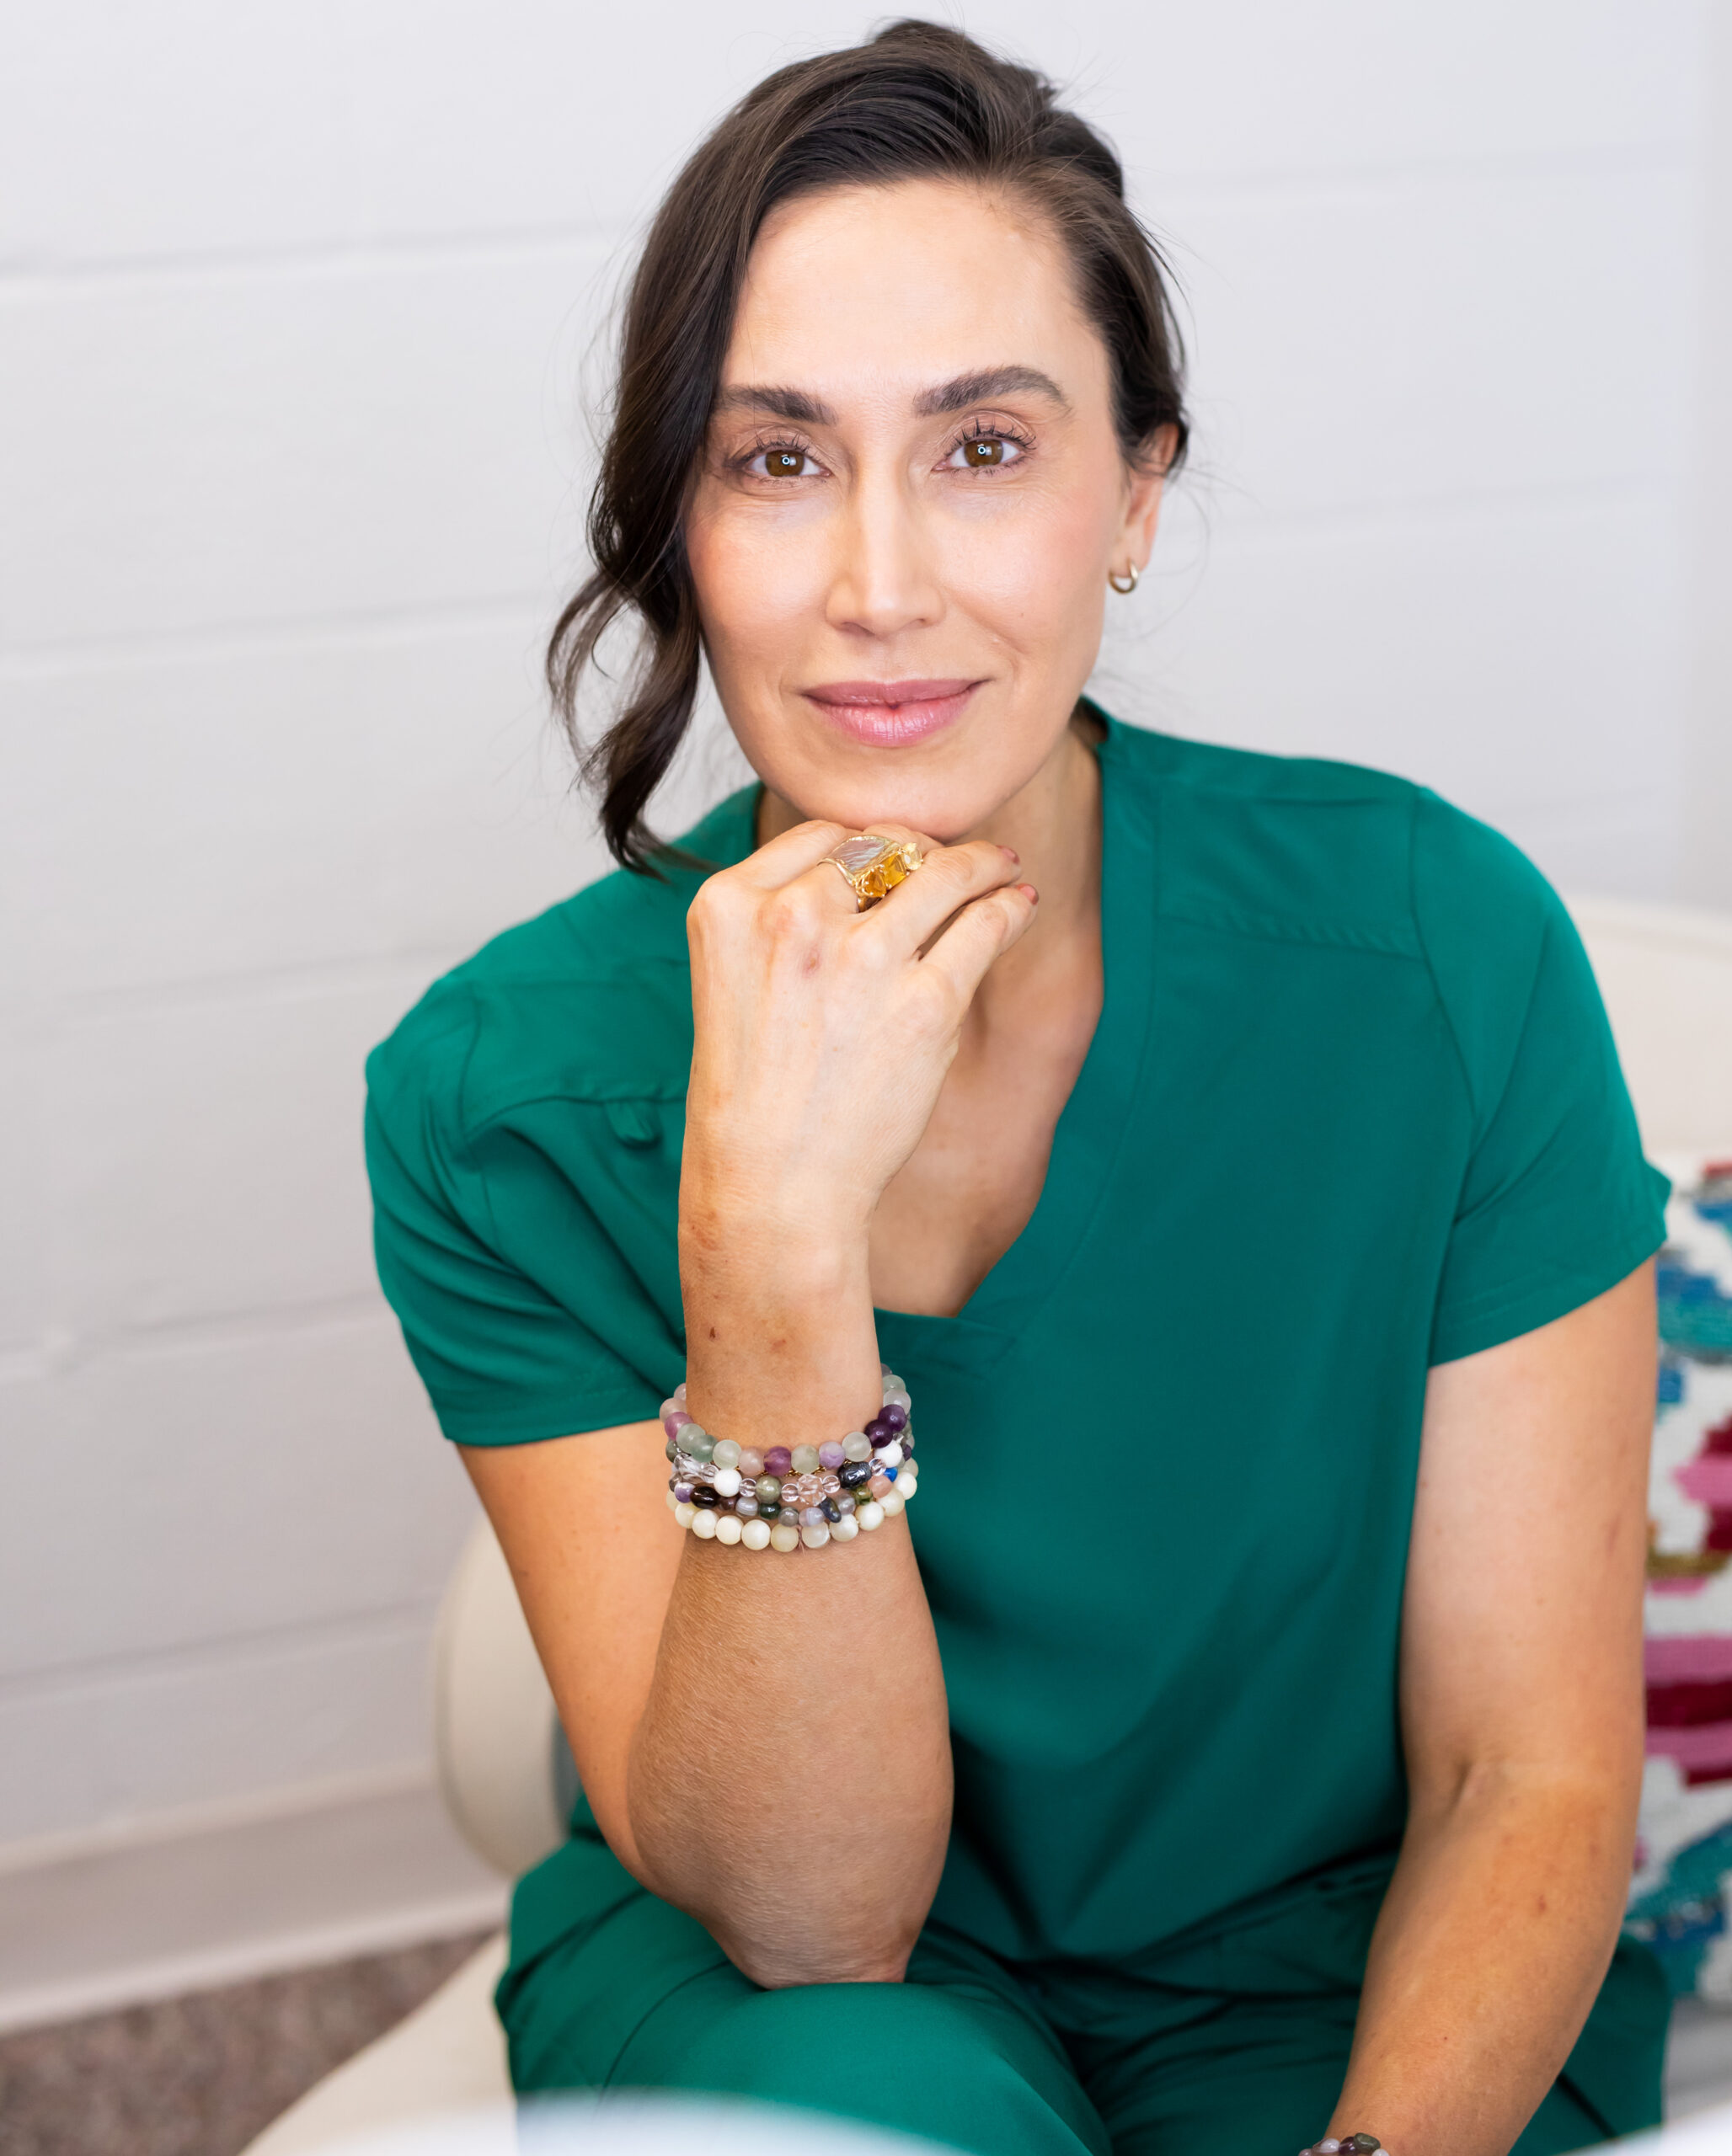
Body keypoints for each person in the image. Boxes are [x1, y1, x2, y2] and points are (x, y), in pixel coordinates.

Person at [364, 23, 1670, 2156]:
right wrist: (771, 1241)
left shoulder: (1434, 948)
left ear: (1133, 489)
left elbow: (1514, 1772)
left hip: (1333, 1967)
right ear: (679, 517)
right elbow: (812, 1917)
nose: (880, 583)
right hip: (790, 1993)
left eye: (982, 447)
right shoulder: (494, 1097)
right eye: (774, 458)